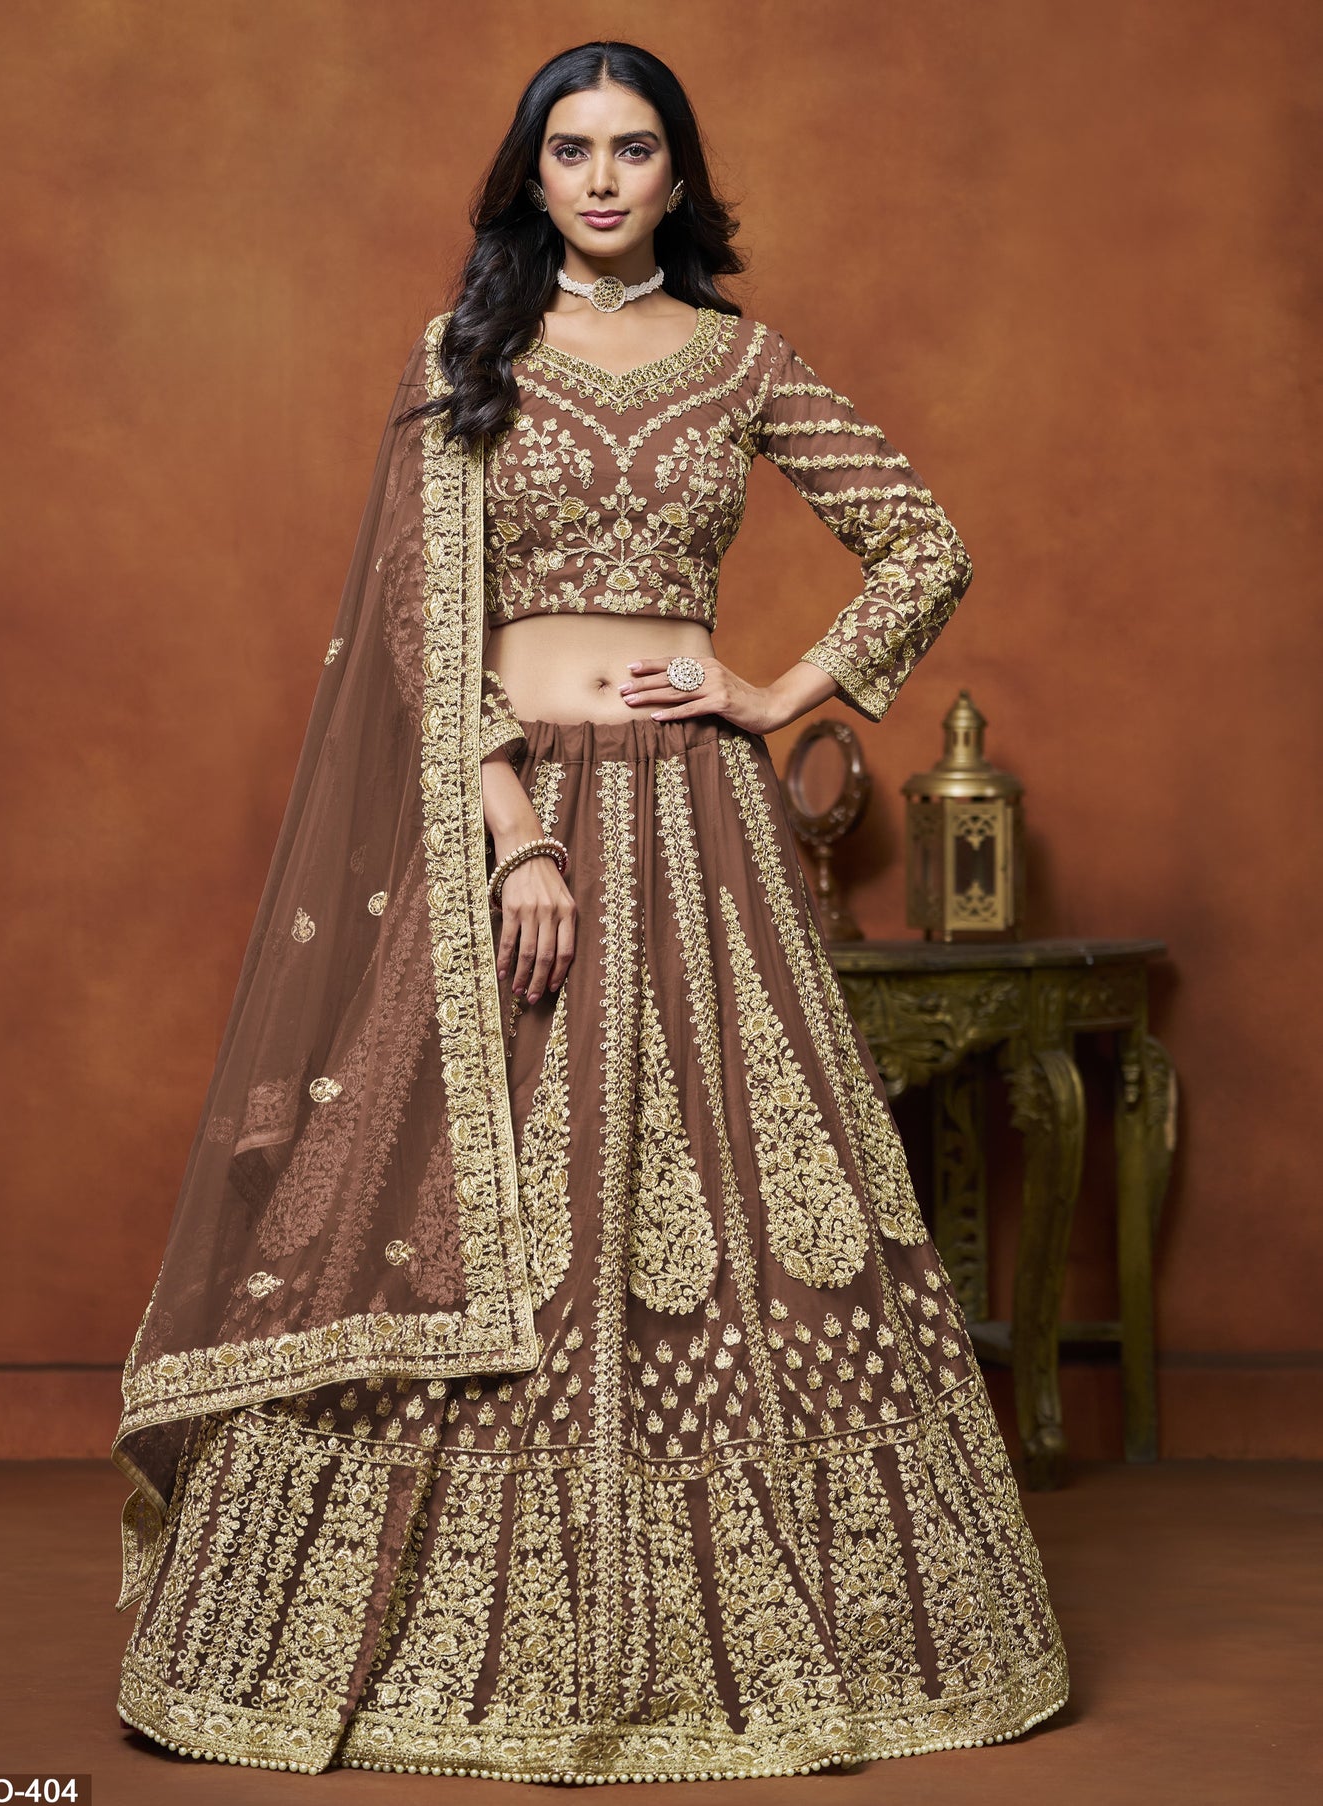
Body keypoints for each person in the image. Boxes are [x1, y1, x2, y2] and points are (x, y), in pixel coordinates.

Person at [111, 40, 1069, 1784]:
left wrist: (779, 691)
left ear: (679, 177)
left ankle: (755, 1638)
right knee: (454, 1194)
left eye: (636, 149)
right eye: (573, 150)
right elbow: (422, 619)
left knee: (732, 1201)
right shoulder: (466, 355)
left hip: (699, 824)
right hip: (516, 818)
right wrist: (513, 837)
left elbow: (921, 543)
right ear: (532, 175)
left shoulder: (741, 362)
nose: (606, 178)